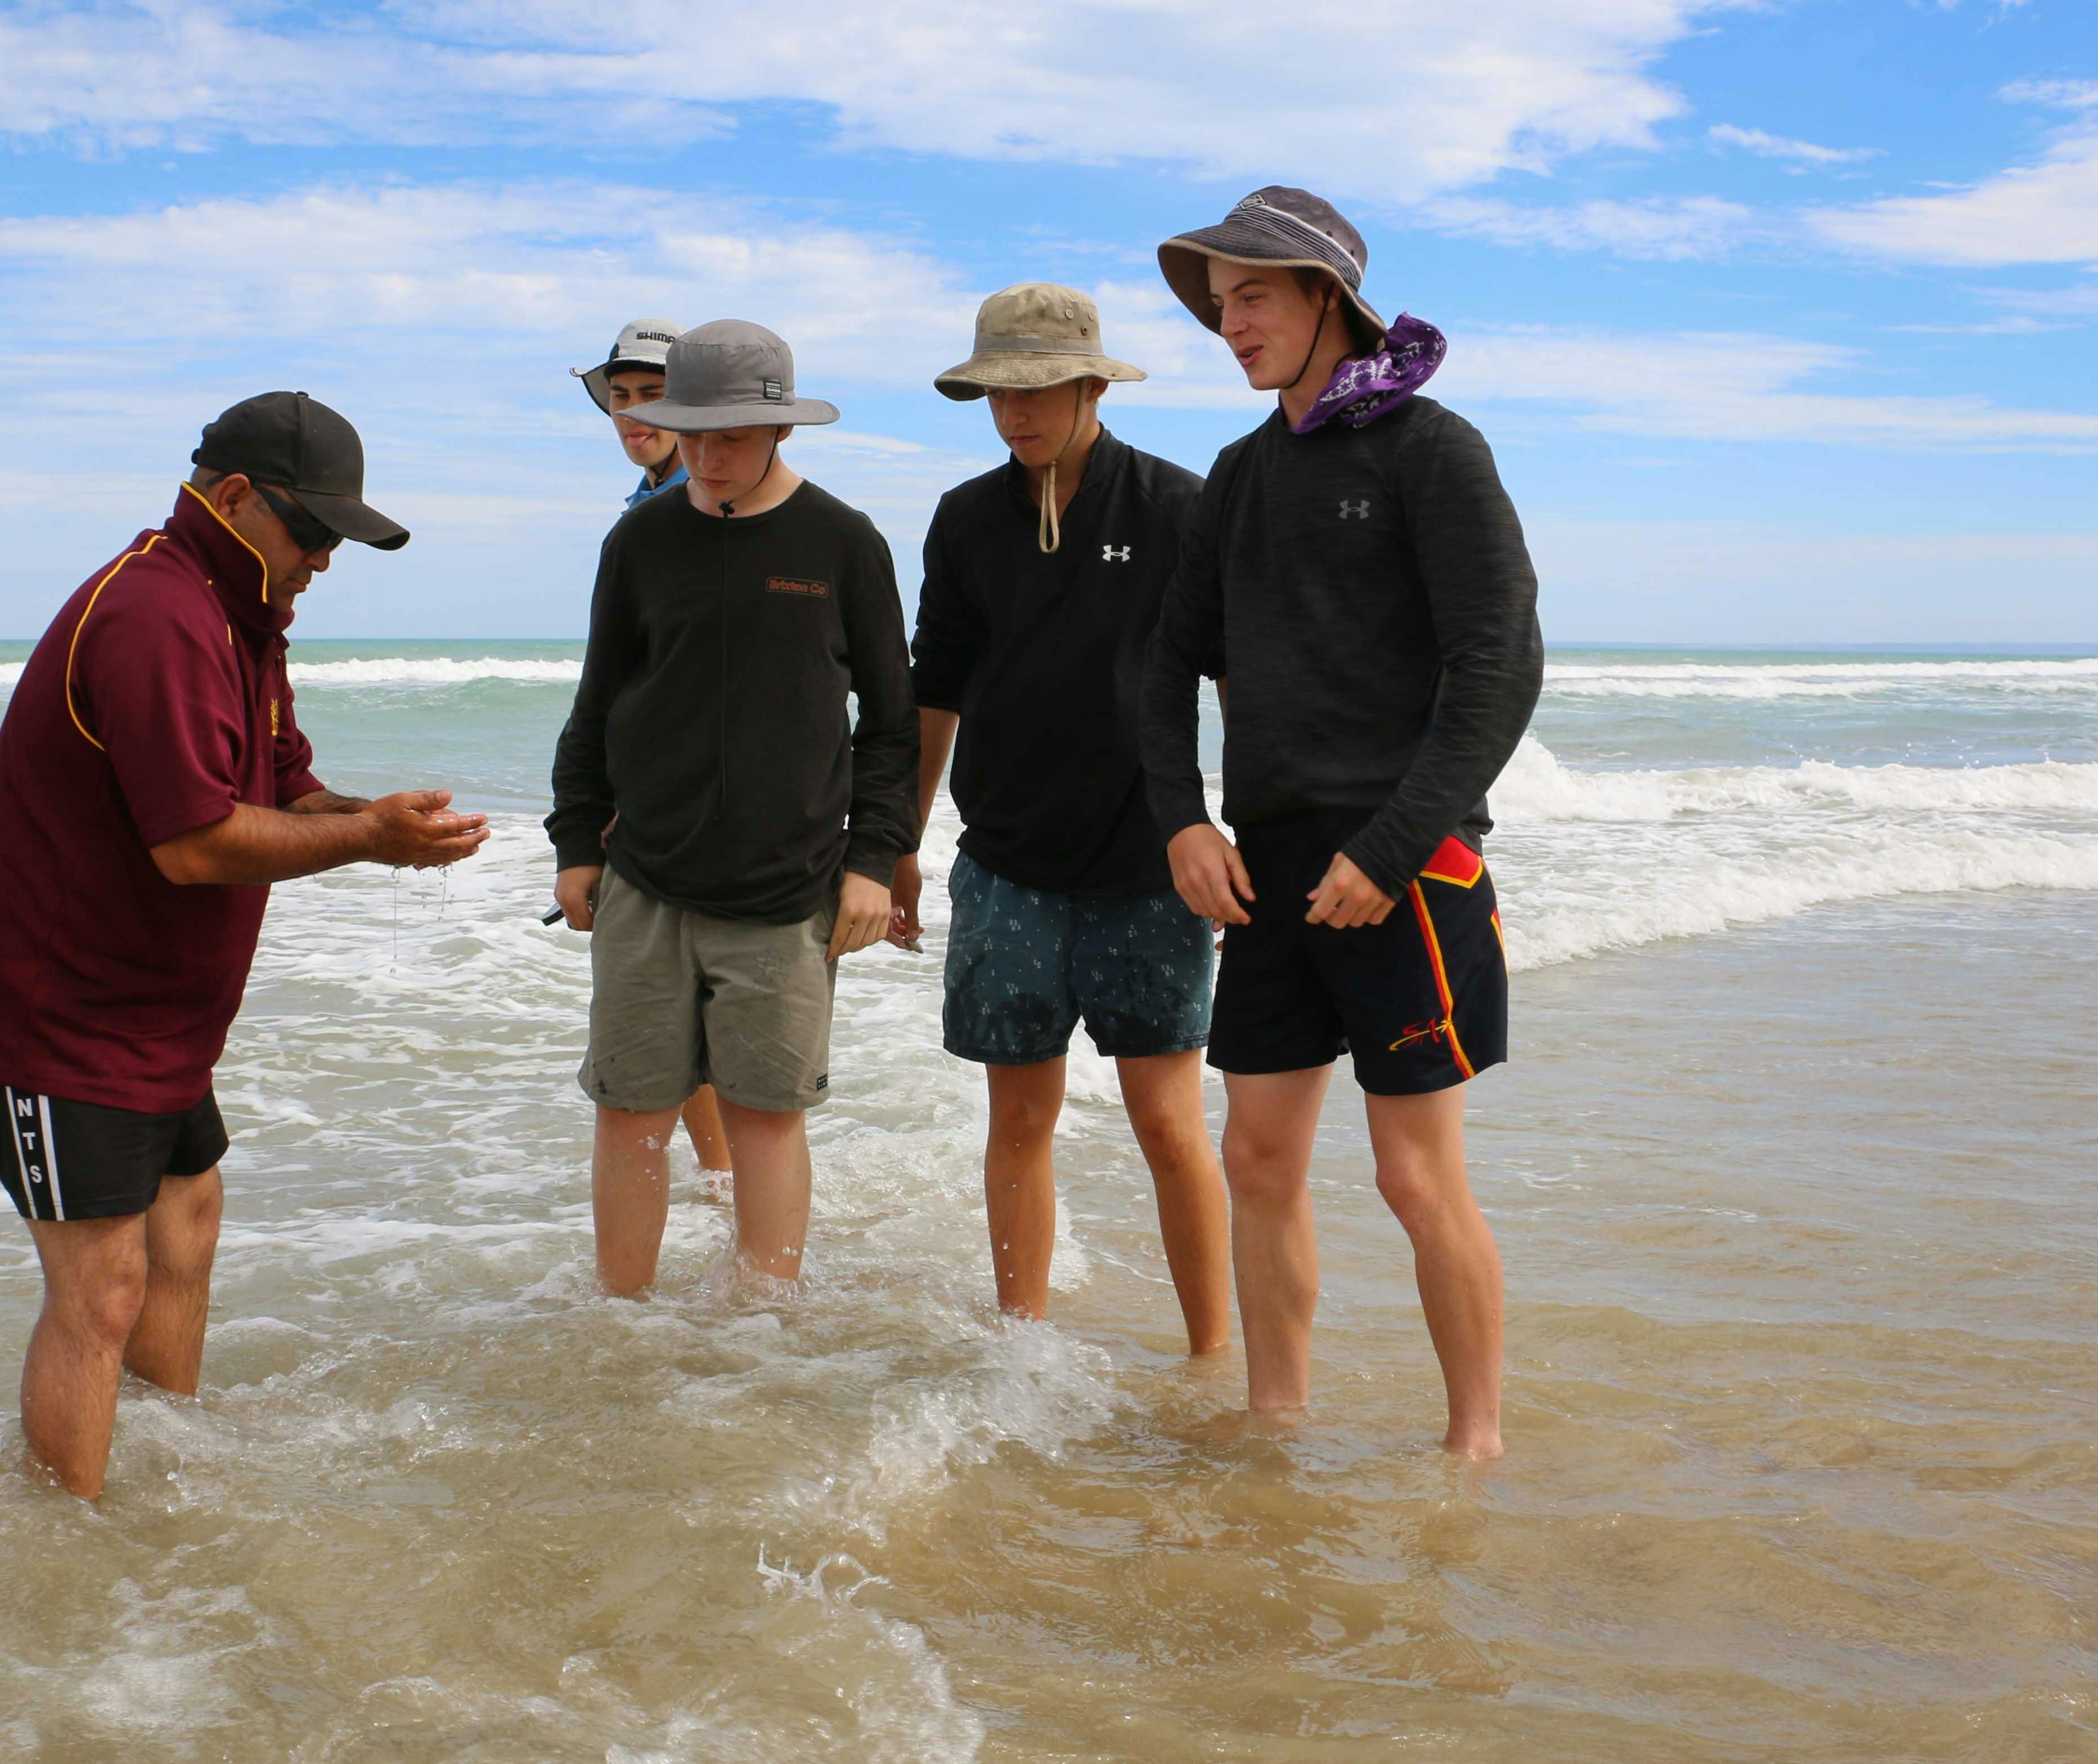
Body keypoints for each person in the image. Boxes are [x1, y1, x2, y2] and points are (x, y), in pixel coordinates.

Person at [0, 392, 490, 1497]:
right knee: (102, 1288)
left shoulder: (242, 611)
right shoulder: (158, 616)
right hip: (57, 1013)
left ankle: (158, 1467)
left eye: (337, 539)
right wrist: (373, 840)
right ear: (233, 498)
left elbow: (279, 790)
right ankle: (66, 1546)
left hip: (152, 1013)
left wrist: (380, 816)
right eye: (311, 531)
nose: (324, 558)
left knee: (188, 1213)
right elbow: (194, 844)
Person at [1141, 188, 1542, 1457]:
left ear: (1329, 300)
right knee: (1255, 1162)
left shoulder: (1431, 450)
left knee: (1413, 1178)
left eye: (1253, 296)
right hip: (1268, 871)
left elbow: (1499, 670)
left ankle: (1472, 1446)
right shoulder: (1239, 476)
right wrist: (1182, 823)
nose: (1231, 324)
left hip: (1408, 867)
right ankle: (1274, 1419)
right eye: (1219, 305)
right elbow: (1159, 669)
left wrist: (1391, 849)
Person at [548, 320, 917, 1295]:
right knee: (630, 1115)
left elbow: (890, 724)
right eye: (692, 434)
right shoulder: (639, 538)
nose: (707, 457)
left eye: (730, 437)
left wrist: (874, 861)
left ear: (780, 430)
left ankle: (768, 1334)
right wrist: (576, 842)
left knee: (765, 1117)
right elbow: (596, 703)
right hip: (647, 881)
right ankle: (619, 1323)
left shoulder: (844, 542)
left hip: (788, 890)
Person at [896, 284, 1229, 1347]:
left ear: (1091, 384)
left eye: (1038, 389)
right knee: (1018, 1120)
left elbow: (1237, 683)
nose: (1016, 413)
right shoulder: (963, 518)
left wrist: (1239, 830)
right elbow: (932, 688)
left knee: (1171, 1127)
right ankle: (1020, 1344)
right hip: (1006, 864)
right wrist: (899, 840)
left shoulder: (1178, 508)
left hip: (1148, 865)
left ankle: (1212, 1355)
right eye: (998, 392)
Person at [570, 319, 729, 1179]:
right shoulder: (645, 505)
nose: (635, 414)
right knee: (688, 1022)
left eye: (652, 395)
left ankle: (727, 1180)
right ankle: (720, 1179)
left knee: (694, 1020)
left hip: (684, 808)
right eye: (622, 398)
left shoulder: (691, 503)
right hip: (656, 797)